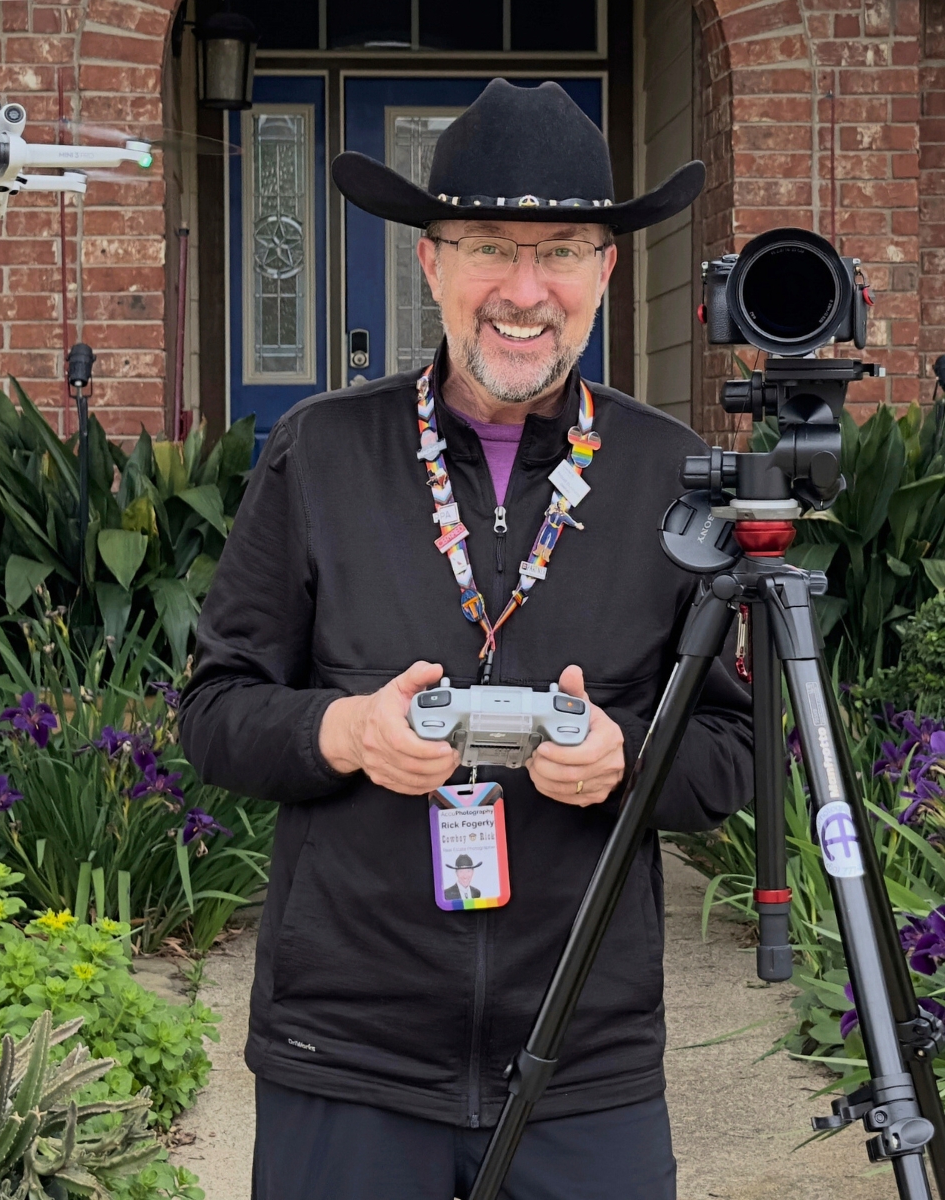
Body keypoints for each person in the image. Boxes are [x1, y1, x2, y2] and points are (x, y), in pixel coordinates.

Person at [179, 80, 753, 1200]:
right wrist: (341, 730)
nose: (525, 290)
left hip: (585, 1057)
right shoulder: (320, 450)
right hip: (345, 1056)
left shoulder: (669, 471)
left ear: (607, 269)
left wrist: (628, 759)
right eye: (490, 245)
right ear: (431, 262)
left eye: (564, 250)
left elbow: (731, 755)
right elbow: (215, 710)